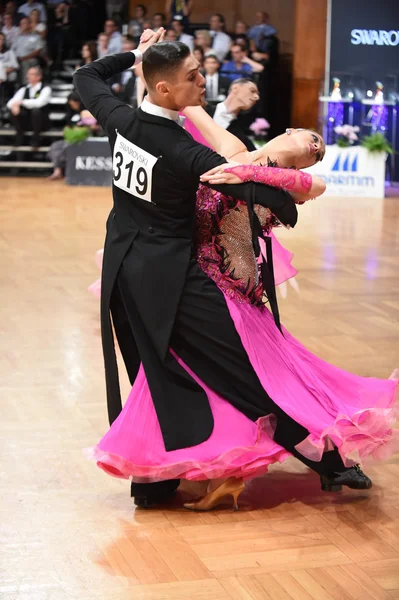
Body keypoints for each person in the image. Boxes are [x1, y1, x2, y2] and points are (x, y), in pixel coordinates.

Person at [75, 33, 375, 510]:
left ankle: (155, 482)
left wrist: (137, 57)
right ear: (165, 90)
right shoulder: (185, 153)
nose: (202, 79)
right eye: (192, 76)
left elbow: (86, 76)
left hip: (126, 271)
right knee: (244, 373)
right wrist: (265, 176)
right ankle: (328, 460)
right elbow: (282, 201)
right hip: (173, 278)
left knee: (160, 371)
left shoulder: (122, 121)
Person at [206, 78, 259, 151]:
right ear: (235, 88)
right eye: (252, 91)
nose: (257, 97)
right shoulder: (203, 110)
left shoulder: (242, 134)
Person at [7, 65, 50, 147]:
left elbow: (39, 103)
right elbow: (10, 102)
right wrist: (14, 105)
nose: (27, 76)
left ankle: (36, 138)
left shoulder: (46, 89)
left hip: (41, 123)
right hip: (27, 121)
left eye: (31, 74)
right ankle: (20, 135)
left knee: (36, 111)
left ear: (39, 76)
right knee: (12, 109)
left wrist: (22, 102)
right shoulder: (24, 89)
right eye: (28, 74)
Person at [11, 16, 44, 83]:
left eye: (25, 23)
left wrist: (24, 58)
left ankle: (26, 85)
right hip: (16, 60)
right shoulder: (17, 38)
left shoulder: (36, 37)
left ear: (29, 24)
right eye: (21, 24)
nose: (22, 25)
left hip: (29, 59)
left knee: (25, 63)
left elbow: (37, 51)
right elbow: (12, 51)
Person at [108, 36, 136, 105]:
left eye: (128, 43)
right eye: (124, 44)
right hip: (118, 93)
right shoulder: (117, 61)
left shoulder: (138, 61)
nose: (126, 46)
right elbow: (112, 79)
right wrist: (115, 85)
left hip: (132, 92)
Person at [0, 31, 19, 100]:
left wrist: (6, 71)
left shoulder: (9, 52)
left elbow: (16, 65)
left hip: (7, 72)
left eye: (2, 39)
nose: (0, 41)